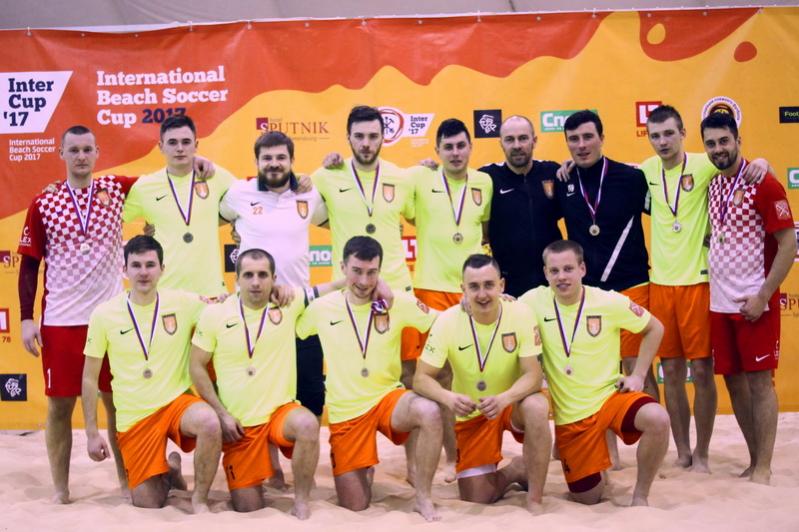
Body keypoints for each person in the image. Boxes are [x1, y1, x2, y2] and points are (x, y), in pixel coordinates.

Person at [641, 105, 767, 471]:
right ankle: (682, 449)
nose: (663, 142)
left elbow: (744, 167)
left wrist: (763, 162)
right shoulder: (645, 171)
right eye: (655, 136)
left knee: (701, 371)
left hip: (697, 283)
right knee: (671, 372)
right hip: (660, 285)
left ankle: (703, 452)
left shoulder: (705, 164)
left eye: (669, 133)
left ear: (683, 133)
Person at [17, 125, 129, 503]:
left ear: (98, 153)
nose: (81, 156)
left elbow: (166, 180)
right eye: (74, 150)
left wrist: (201, 163)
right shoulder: (43, 203)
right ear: (61, 154)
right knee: (60, 406)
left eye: (87, 150)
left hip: (111, 320)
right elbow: (29, 264)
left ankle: (126, 483)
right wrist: (26, 318)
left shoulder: (116, 189)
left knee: (117, 403)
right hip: (62, 320)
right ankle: (61, 490)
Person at [296, 236, 443, 521]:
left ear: (380, 271)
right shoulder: (321, 308)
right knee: (355, 505)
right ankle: (364, 468)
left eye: (371, 272)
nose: (364, 281)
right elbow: (288, 326)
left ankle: (423, 497)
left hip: (388, 399)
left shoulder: (396, 302)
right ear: (342, 268)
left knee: (429, 411)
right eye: (357, 271)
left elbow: (444, 321)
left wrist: (492, 304)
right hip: (347, 411)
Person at [191, 248, 340, 517]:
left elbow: (328, 288)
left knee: (307, 424)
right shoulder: (215, 314)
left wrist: (370, 282)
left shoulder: (287, 304)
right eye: (248, 275)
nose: (256, 282)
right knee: (248, 507)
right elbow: (196, 366)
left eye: (263, 275)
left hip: (279, 415)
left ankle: (302, 501)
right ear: (236, 279)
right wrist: (222, 414)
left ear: (274, 279)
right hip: (241, 427)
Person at [520, 240, 669, 506]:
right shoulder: (533, 301)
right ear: (545, 273)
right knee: (588, 497)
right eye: (554, 271)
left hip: (610, 398)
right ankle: (520, 469)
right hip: (573, 417)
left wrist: (638, 376)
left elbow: (654, 328)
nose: (561, 277)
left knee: (657, 418)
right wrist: (472, 303)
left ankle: (640, 496)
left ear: (582, 269)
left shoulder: (608, 300)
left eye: (568, 269)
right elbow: (501, 310)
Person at [81, 236, 222, 512]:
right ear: (124, 270)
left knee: (209, 422)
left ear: (162, 269)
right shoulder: (103, 315)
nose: (143, 272)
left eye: (150, 265)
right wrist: (91, 433)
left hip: (175, 403)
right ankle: (171, 471)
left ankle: (199, 499)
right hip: (136, 416)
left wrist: (272, 293)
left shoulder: (183, 302)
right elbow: (89, 377)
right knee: (148, 502)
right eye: (136, 265)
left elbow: (225, 309)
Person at [555, 110, 659, 467]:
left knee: (637, 368)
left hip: (631, 284)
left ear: (602, 137)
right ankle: (609, 454)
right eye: (573, 139)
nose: (581, 145)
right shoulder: (564, 182)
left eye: (588, 137)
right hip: (587, 294)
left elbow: (673, 208)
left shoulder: (632, 177)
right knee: (596, 375)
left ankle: (654, 450)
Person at [413, 254, 551, 513]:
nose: (482, 294)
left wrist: (504, 398)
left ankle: (535, 499)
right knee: (476, 497)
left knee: (537, 406)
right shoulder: (447, 321)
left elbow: (533, 376)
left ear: (501, 285)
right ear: (463, 289)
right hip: (474, 413)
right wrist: (449, 398)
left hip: (511, 404)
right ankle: (516, 470)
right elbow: (421, 378)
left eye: (489, 285)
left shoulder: (520, 313)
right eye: (474, 287)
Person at [702, 112, 796, 485]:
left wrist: (763, 295)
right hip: (720, 302)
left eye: (724, 141)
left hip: (755, 301)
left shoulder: (764, 183)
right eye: (711, 143)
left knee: (760, 383)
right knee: (734, 382)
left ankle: (764, 468)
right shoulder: (713, 185)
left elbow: (788, 244)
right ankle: (755, 458)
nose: (718, 149)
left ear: (738, 140)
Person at [404, 118, 493, 479]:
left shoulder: (484, 182)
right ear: (437, 151)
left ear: (471, 146)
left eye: (461, 145)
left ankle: (472, 451)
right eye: (448, 147)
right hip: (429, 288)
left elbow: (484, 230)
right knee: (433, 377)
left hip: (472, 291)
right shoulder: (419, 178)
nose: (455, 153)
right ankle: (448, 458)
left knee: (469, 374)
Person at [123, 114, 235, 297]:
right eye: (173, 142)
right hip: (166, 294)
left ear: (196, 145)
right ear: (161, 147)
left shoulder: (215, 176)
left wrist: (226, 224)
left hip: (211, 293)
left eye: (186, 142)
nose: (180, 148)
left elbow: (250, 202)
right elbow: (112, 221)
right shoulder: (144, 187)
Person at [311, 105, 414, 292]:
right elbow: (292, 200)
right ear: (348, 137)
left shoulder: (402, 177)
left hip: (396, 286)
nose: (366, 143)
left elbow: (420, 216)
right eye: (359, 136)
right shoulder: (326, 176)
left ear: (383, 137)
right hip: (347, 286)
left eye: (373, 136)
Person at [479, 115, 563, 296]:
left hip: (552, 282)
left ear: (534, 141)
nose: (517, 145)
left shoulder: (552, 172)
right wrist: (431, 169)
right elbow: (453, 180)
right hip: (506, 287)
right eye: (510, 139)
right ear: (501, 143)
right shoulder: (486, 177)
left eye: (523, 138)